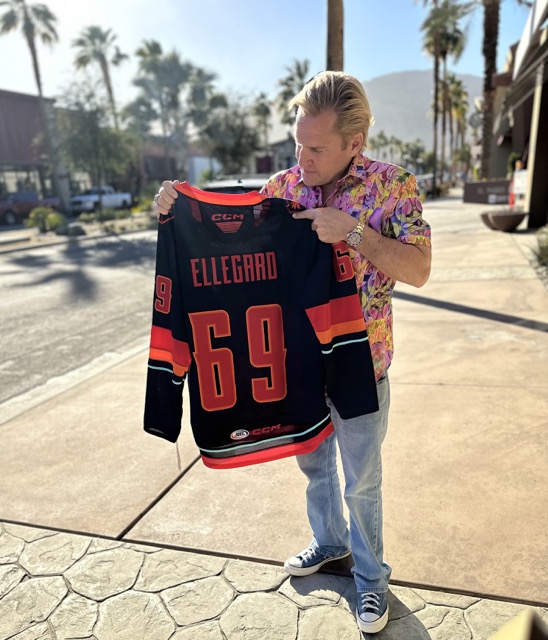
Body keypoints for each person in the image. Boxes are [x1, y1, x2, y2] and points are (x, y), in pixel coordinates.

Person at [153, 70, 432, 635]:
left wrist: (353, 233)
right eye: (297, 143)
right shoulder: (282, 188)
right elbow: (228, 234)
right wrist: (175, 208)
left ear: (355, 143)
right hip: (299, 364)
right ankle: (330, 545)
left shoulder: (394, 186)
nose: (302, 157)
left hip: (363, 360)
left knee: (362, 479)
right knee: (315, 468)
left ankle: (372, 580)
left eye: (316, 147)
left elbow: (420, 269)